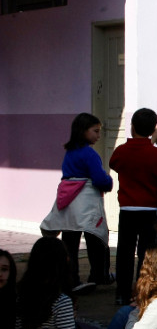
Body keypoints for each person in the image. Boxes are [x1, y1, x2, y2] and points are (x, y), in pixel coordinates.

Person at [40, 112, 113, 293]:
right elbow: (99, 179)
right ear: (83, 131)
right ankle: (99, 275)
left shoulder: (70, 152)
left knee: (69, 240)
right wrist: (108, 181)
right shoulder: (90, 154)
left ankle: (71, 279)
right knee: (96, 238)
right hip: (86, 202)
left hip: (68, 200)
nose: (98, 135)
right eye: (95, 131)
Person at [109, 108, 157, 305]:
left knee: (125, 252)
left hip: (128, 208)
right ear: (153, 129)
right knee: (147, 251)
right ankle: (141, 291)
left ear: (132, 127)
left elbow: (114, 164)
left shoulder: (122, 151)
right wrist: (156, 198)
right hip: (149, 208)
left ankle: (122, 293)